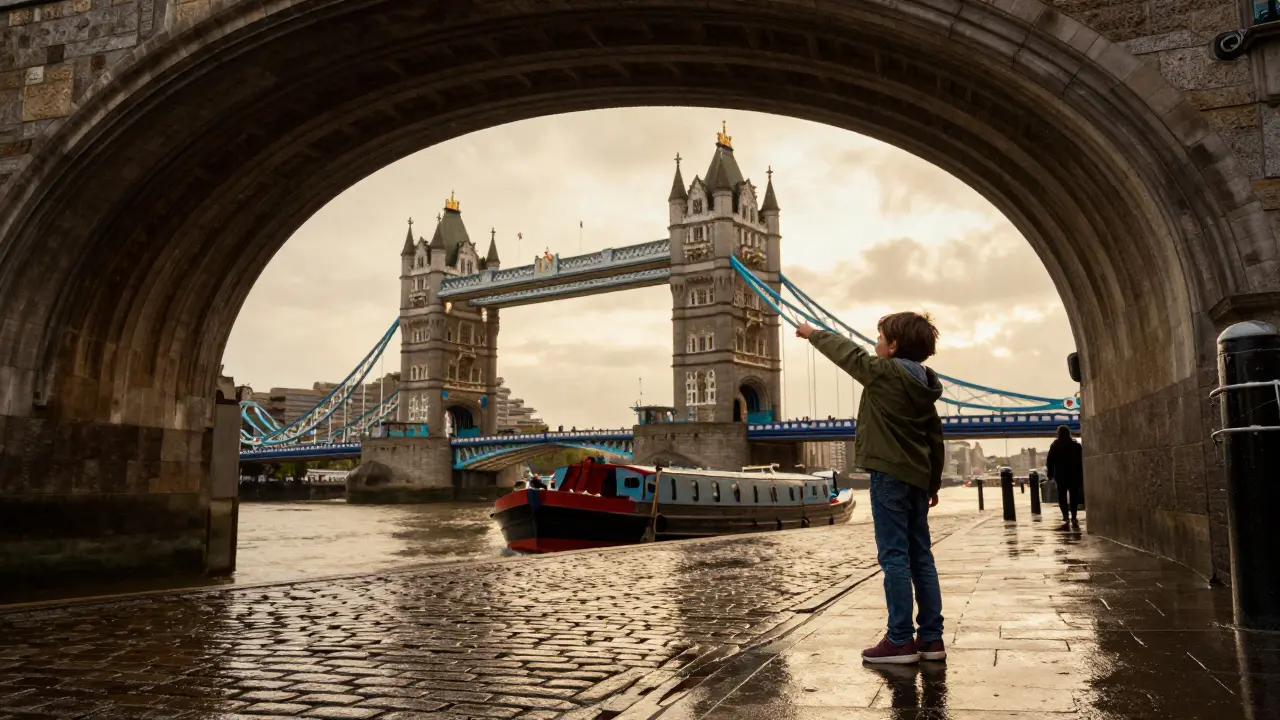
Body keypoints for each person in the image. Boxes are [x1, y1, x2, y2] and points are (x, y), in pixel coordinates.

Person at [798, 313, 946, 665]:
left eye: (879, 338)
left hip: (888, 476)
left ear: (893, 346)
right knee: (921, 556)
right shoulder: (927, 385)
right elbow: (935, 439)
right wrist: (934, 482)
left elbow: (849, 354)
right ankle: (931, 639)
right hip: (917, 479)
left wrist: (813, 333)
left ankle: (899, 640)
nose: (875, 344)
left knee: (894, 557)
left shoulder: (883, 373)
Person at [1046, 425, 1084, 530]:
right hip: (1074, 474)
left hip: (1061, 475)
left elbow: (1050, 461)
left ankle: (1066, 517)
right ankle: (1074, 518)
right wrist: (1081, 475)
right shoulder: (1076, 445)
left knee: (1062, 496)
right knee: (1074, 496)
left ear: (1058, 434)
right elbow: (1081, 461)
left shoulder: (1055, 445)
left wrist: (1050, 474)